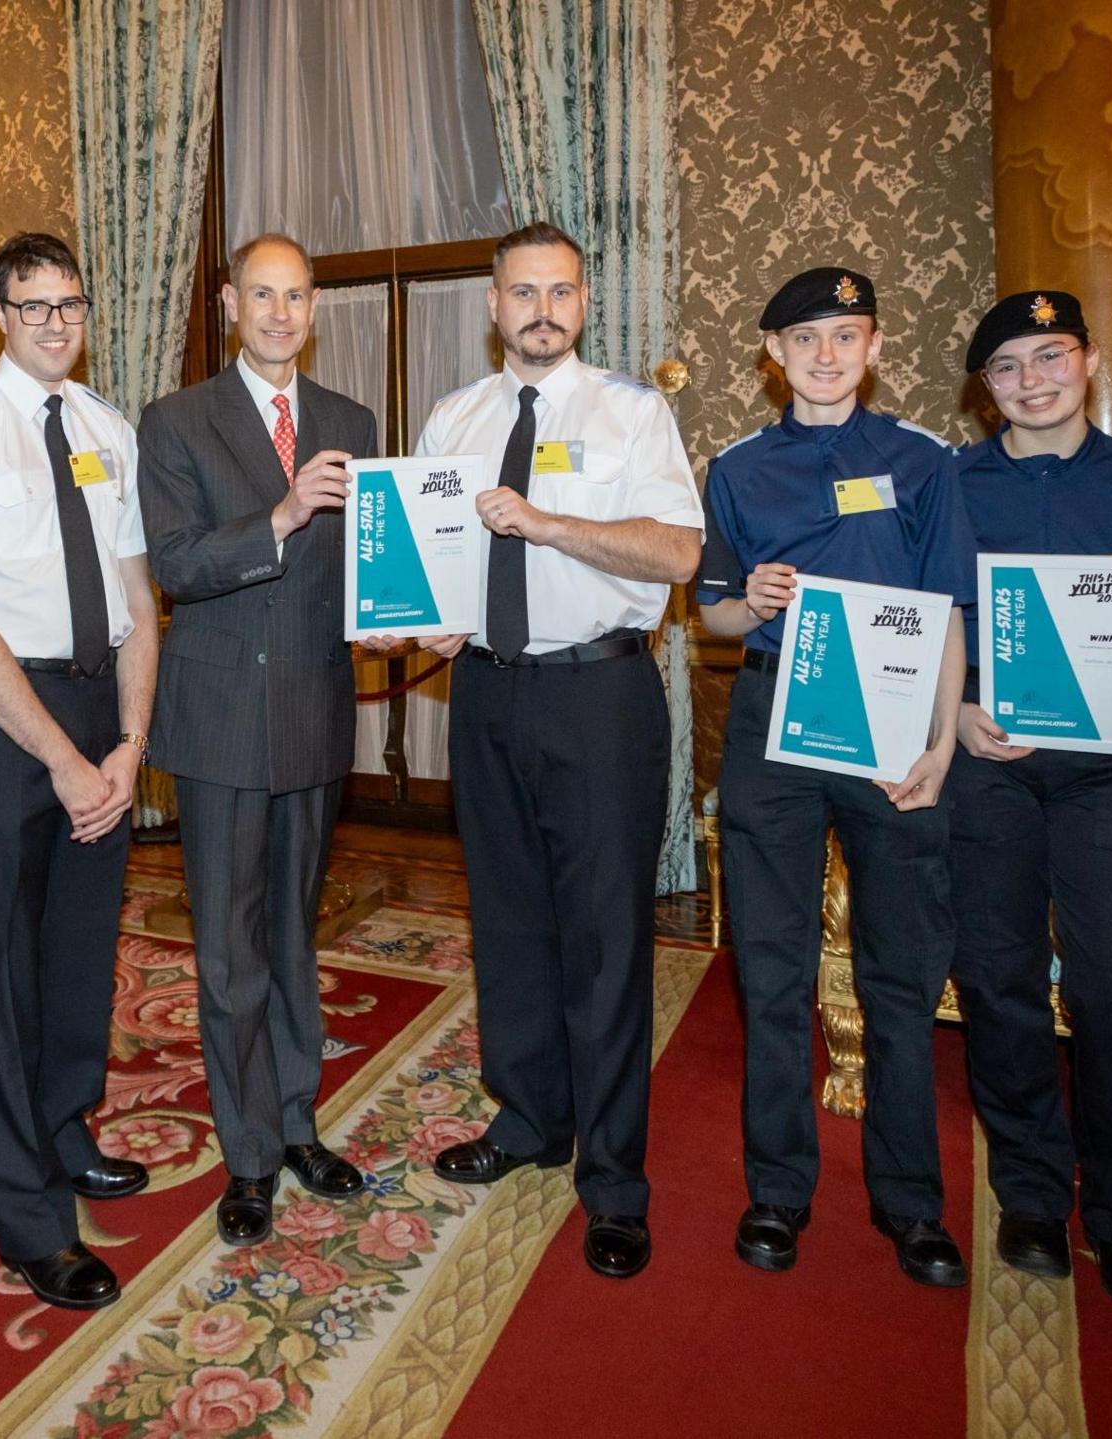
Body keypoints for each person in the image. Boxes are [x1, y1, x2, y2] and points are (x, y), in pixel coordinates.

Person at [409, 221, 703, 1280]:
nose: (541, 310)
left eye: (560, 292)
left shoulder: (630, 412)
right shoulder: (453, 417)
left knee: (605, 936)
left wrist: (547, 521)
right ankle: (529, 1116)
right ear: (493, 305)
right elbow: (434, 556)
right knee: (509, 922)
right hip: (484, 691)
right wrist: (422, 616)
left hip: (600, 696)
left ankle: (615, 1179)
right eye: (521, 292)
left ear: (583, 303)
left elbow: (675, 550)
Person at [694, 264, 976, 1288]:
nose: (824, 353)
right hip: (776, 713)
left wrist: (942, 742)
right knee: (771, 968)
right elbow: (712, 614)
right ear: (773, 354)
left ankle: (911, 1202)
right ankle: (777, 1188)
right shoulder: (735, 466)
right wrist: (749, 603)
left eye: (844, 335)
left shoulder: (921, 460)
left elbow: (948, 609)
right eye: (803, 337)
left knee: (898, 969)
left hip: (896, 714)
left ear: (872, 346)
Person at [0, 232, 157, 1310]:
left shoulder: (107, 428)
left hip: (100, 703)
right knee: (0, 965)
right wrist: (59, 754)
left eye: (70, 305)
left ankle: (64, 1123)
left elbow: (140, 601)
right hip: (5, 718)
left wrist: (129, 743)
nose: (55, 324)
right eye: (33, 306)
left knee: (80, 947)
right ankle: (29, 1215)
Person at [136, 233, 379, 1246]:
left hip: (316, 711)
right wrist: (278, 514)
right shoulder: (176, 419)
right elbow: (178, 564)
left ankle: (296, 1121)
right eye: (261, 294)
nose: (279, 312)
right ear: (231, 300)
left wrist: (412, 608)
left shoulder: (350, 420)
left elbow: (370, 565)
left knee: (291, 936)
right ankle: (245, 1158)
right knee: (228, 949)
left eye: (297, 296)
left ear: (314, 305)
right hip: (222, 717)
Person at [948, 290, 1112, 1313]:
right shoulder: (947, 487)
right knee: (997, 983)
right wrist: (954, 713)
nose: (1031, 380)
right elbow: (924, 622)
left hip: (1108, 771)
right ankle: (1031, 1190)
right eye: (1007, 366)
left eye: (1050, 356)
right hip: (987, 767)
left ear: (1088, 360)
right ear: (984, 387)